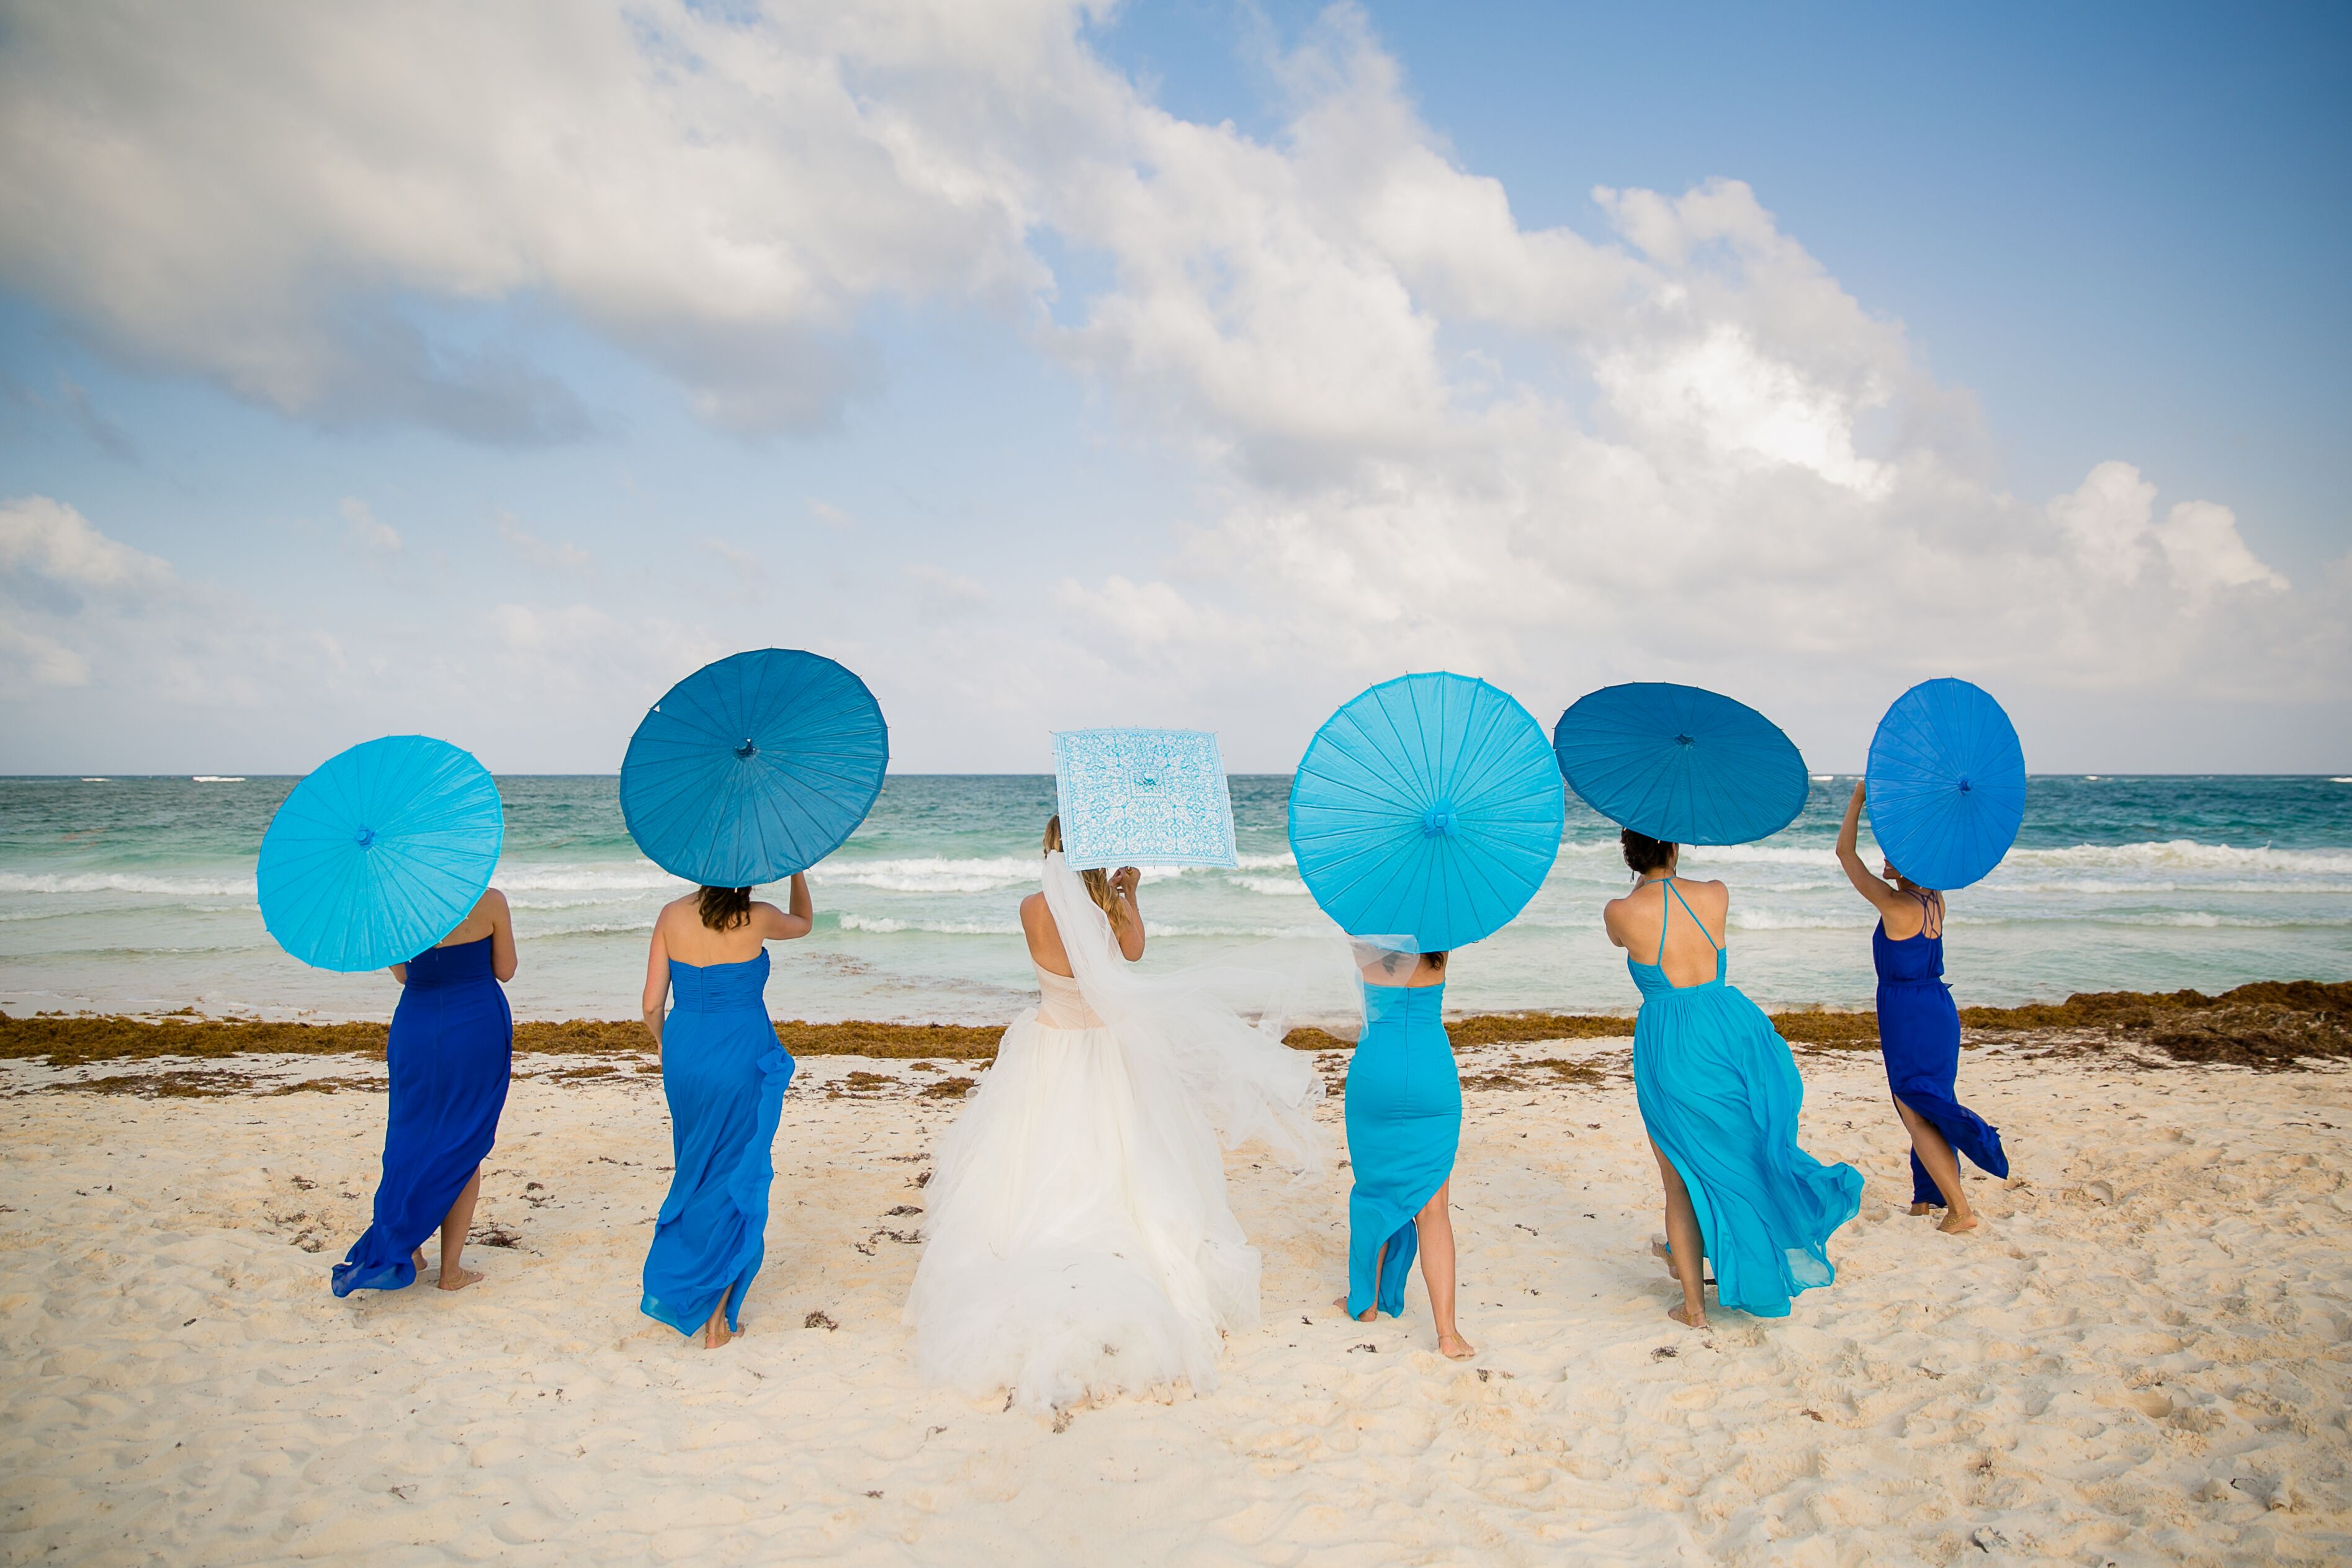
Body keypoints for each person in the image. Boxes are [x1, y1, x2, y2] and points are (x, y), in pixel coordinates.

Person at [905, 817, 1338, 1413]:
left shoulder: (1032, 907)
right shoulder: (1103, 910)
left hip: (1048, 1043)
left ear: (1051, 850)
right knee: (1119, 1154)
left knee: (1037, 1154)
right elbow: (1131, 955)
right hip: (1105, 1046)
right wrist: (1129, 892)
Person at [1604, 830, 1862, 1327]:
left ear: (1629, 853)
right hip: (1732, 1029)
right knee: (1743, 1152)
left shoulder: (1621, 911)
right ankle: (1728, 1257)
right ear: (1674, 848)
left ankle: (1694, 1309)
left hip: (1673, 1043)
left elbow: (1624, 935)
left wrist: (1640, 883)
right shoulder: (1717, 892)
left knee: (1679, 1174)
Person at [638, 874, 812, 1348]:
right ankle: (717, 1318)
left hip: (685, 1055)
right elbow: (804, 924)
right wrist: (798, 872)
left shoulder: (671, 915)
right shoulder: (757, 917)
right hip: (740, 1055)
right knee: (734, 1171)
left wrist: (667, 1047)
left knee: (696, 1167)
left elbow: (652, 1004)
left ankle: (696, 1289)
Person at [1835, 781, 2008, 1232]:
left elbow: (1846, 857)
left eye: (1892, 850)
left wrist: (1856, 802)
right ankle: (1924, 1199)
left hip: (1908, 1014)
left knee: (1914, 1108)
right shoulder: (1936, 899)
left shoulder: (1895, 906)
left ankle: (1960, 1209)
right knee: (1933, 1100)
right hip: (1937, 1007)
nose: (1884, 857)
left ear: (1908, 860)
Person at [332, 887, 518, 1297]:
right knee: (465, 1141)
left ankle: (410, 1247)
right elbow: (506, 969)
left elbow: (403, 974)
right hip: (476, 1025)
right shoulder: (489, 901)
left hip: (416, 1026)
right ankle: (450, 1270)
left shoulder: (395, 903)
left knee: (409, 1135)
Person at [1335, 944, 1473, 1359]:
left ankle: (1367, 1301)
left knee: (1373, 1188)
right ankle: (1447, 1334)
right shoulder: (1442, 936)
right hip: (1431, 1072)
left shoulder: (1360, 931)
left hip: (1377, 1070)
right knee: (1434, 1208)